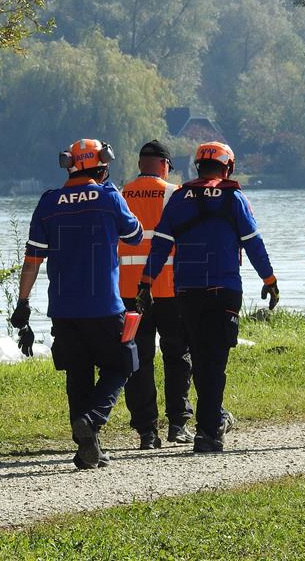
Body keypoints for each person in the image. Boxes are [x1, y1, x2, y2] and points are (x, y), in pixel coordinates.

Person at [9, 138, 143, 470]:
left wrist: (23, 302)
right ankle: (92, 420)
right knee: (122, 365)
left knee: (77, 375)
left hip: (64, 309)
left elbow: (32, 259)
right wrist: (108, 190)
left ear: (69, 165)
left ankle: (87, 450)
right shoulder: (109, 197)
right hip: (105, 306)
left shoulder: (49, 202)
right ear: (103, 164)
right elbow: (135, 235)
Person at [139, 141, 279, 453]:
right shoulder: (234, 198)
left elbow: (160, 246)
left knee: (201, 359)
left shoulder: (178, 198)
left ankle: (210, 421)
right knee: (214, 361)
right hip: (223, 291)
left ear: (197, 167)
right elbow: (254, 244)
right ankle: (209, 431)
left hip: (186, 292)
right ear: (228, 167)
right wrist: (269, 280)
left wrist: (145, 283)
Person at [118, 140, 193, 449]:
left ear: (140, 165)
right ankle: (178, 424)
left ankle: (147, 431)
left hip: (129, 292)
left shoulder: (121, 194)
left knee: (138, 359)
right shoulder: (175, 194)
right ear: (165, 165)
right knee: (177, 356)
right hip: (169, 288)